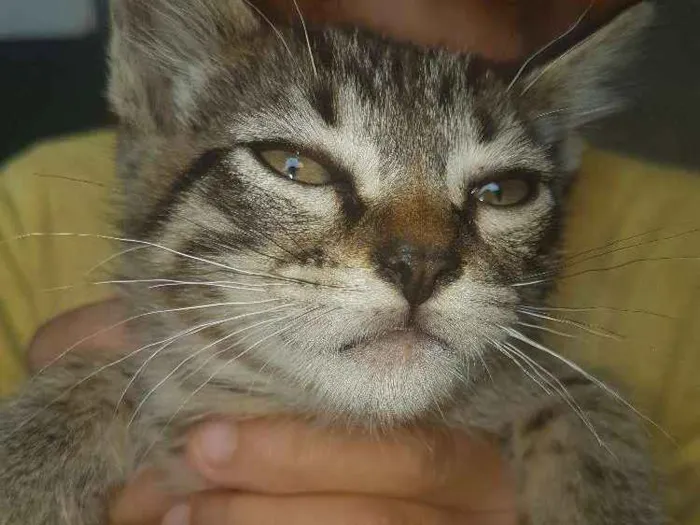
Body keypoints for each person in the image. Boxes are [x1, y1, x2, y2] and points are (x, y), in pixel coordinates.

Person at [13, 1, 700, 524]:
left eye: (501, 189)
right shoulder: (27, 209)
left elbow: (557, 390)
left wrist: (584, 451)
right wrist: (81, 402)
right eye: (299, 164)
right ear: (167, 93)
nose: (423, 255)